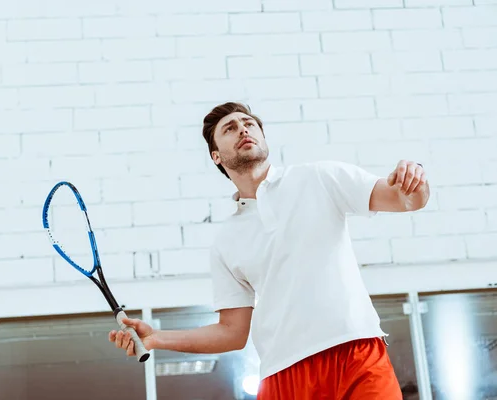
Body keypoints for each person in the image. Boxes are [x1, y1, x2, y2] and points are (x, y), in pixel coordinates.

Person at [109, 102, 430, 399]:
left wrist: (415, 179)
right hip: (283, 373)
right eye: (230, 128)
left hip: (357, 353)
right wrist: (156, 338)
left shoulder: (318, 177)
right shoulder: (226, 240)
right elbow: (232, 333)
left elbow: (405, 200)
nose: (243, 129)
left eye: (249, 124)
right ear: (216, 156)